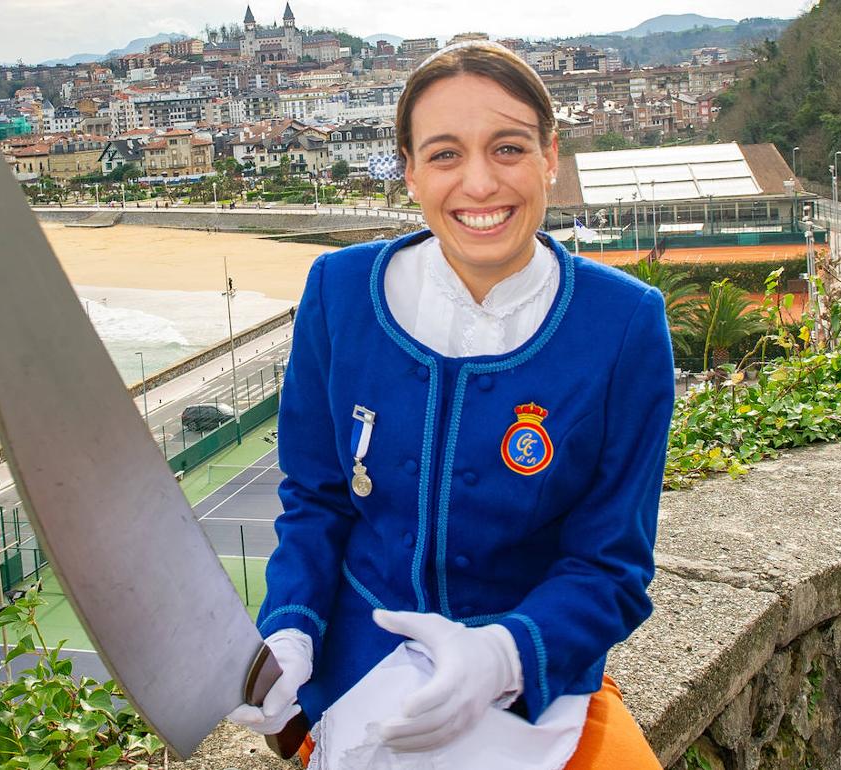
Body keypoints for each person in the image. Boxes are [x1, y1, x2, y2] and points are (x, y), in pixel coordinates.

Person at [228, 41, 673, 769]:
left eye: (508, 148)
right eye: (444, 155)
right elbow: (316, 499)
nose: (480, 182)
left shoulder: (624, 323)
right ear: (409, 170)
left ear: (550, 157)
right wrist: (290, 630)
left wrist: (503, 656)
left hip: (532, 676)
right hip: (355, 669)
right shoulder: (338, 292)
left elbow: (611, 564)